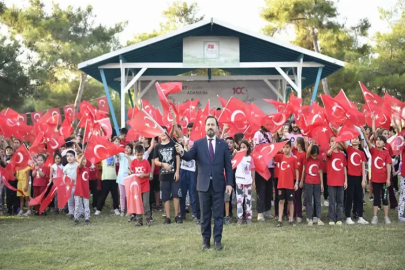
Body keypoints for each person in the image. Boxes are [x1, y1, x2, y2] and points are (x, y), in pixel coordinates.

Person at [176, 116, 233, 251]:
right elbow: (189, 156)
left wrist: (229, 183)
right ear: (205, 127)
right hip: (203, 185)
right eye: (208, 124)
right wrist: (182, 151)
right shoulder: (198, 144)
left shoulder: (223, 145)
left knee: (218, 215)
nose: (210, 127)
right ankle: (206, 241)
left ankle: (217, 241)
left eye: (213, 124)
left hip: (219, 185)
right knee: (205, 215)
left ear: (217, 128)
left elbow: (228, 166)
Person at [363, 128, 392, 225]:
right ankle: (375, 216)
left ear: (384, 144)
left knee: (384, 198)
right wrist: (364, 133)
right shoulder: (373, 151)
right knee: (376, 199)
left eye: (381, 140)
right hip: (375, 180)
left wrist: (388, 178)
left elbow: (388, 166)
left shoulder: (386, 153)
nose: (378, 142)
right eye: (377, 140)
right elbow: (367, 142)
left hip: (384, 180)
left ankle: (386, 217)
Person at [154, 126, 181, 225]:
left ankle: (177, 216)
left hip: (174, 174)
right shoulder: (157, 147)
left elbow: (178, 157)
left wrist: (177, 171)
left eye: (164, 132)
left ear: (167, 133)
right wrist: (163, 164)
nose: (163, 134)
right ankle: (168, 217)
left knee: (176, 195)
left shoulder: (173, 144)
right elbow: (156, 161)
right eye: (161, 132)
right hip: (164, 175)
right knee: (165, 197)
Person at [341, 137, 369, 225]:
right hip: (350, 177)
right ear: (350, 141)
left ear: (360, 141)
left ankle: (360, 216)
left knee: (359, 198)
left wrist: (364, 179)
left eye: (357, 139)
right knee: (349, 197)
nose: (355, 140)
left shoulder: (361, 153)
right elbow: (342, 140)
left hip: (359, 177)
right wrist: (338, 132)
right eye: (352, 139)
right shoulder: (349, 150)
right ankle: (348, 216)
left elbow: (363, 167)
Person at [274, 140, 299, 227]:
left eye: (287, 147)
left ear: (291, 147)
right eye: (284, 147)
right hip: (281, 184)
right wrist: (278, 148)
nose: (285, 149)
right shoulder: (280, 157)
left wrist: (297, 183)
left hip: (290, 184)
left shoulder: (293, 159)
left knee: (290, 201)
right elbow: (272, 153)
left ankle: (291, 219)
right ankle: (280, 219)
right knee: (281, 201)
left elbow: (296, 170)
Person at [300, 142, 324, 226]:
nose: (315, 157)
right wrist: (301, 181)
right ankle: (309, 218)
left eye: (316, 155)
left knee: (318, 201)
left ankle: (318, 218)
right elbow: (307, 153)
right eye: (313, 155)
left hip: (317, 183)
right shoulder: (307, 159)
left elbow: (320, 171)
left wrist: (322, 184)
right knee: (309, 201)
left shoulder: (319, 160)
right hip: (308, 183)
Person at [253, 126, 274, 221]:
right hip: (261, 166)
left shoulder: (270, 134)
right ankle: (260, 212)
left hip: (271, 165)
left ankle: (267, 210)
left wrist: (274, 138)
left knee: (269, 189)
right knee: (261, 189)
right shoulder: (258, 134)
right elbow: (256, 148)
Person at [326, 137, 347, 225]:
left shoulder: (342, 155)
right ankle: (331, 218)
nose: (334, 143)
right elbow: (328, 154)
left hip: (340, 181)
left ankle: (339, 218)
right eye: (332, 141)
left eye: (336, 141)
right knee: (331, 201)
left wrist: (345, 180)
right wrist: (331, 148)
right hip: (331, 182)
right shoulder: (329, 154)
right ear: (329, 144)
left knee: (340, 201)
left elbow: (344, 168)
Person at [129, 144, 152, 226]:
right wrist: (130, 172)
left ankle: (148, 219)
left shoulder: (146, 162)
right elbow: (130, 171)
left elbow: (149, 174)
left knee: (146, 203)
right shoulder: (133, 162)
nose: (139, 157)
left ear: (143, 153)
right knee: (138, 203)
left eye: (141, 155)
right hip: (137, 186)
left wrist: (143, 175)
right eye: (138, 155)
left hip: (145, 185)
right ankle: (139, 220)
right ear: (135, 154)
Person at [235, 140, 255, 225]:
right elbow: (232, 163)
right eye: (241, 147)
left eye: (244, 147)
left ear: (247, 148)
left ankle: (249, 217)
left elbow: (252, 170)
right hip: (239, 182)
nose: (242, 149)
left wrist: (253, 181)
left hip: (248, 182)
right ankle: (240, 217)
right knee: (239, 200)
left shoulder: (250, 158)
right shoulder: (237, 156)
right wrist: (235, 154)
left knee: (248, 200)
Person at [116, 143, 136, 216]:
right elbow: (116, 153)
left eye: (129, 148)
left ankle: (129, 210)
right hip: (121, 178)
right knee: (122, 195)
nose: (127, 149)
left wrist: (128, 157)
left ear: (131, 149)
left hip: (129, 178)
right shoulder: (121, 155)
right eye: (126, 147)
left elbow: (132, 165)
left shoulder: (133, 157)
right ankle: (122, 209)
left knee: (128, 195)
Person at [73, 154, 90, 225]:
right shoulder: (78, 168)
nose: (84, 161)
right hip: (79, 190)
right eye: (82, 159)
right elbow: (79, 165)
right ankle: (76, 218)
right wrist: (82, 155)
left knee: (86, 205)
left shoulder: (87, 169)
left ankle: (87, 218)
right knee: (77, 205)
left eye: (85, 159)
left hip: (85, 189)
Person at [62, 150, 79, 219]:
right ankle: (71, 213)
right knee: (70, 201)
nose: (69, 157)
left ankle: (77, 212)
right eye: (67, 156)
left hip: (77, 186)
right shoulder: (65, 167)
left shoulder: (78, 165)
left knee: (77, 201)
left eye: (71, 156)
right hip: (69, 187)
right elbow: (64, 177)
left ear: (75, 157)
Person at [293, 137, 306, 223]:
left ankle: (299, 215)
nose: (294, 144)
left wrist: (301, 181)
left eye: (295, 142)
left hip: (300, 179)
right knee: (293, 197)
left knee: (298, 197)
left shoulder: (303, 155)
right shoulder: (295, 152)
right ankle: (292, 213)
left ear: (299, 145)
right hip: (294, 178)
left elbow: (304, 169)